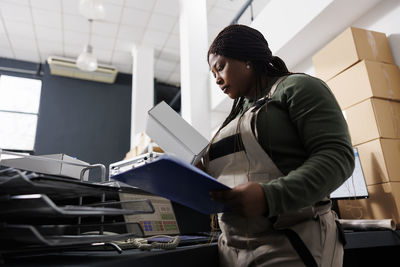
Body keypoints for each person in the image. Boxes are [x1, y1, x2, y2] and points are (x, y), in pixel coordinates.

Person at [203, 24, 355, 267]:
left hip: (294, 242)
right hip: (233, 250)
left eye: (220, 67)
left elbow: (337, 157)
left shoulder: (298, 88)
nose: (218, 79)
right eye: (213, 74)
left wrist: (269, 197)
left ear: (246, 58)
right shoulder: (235, 116)